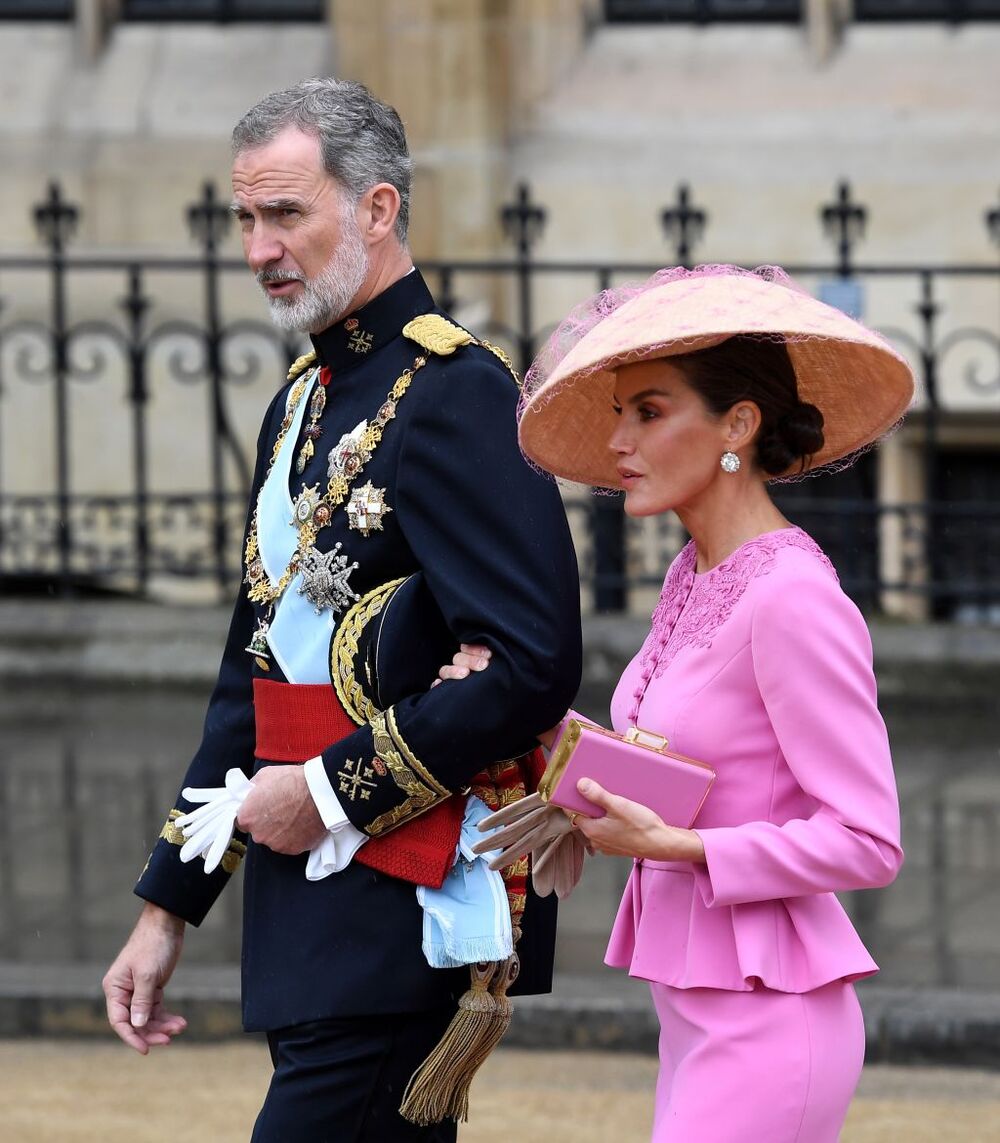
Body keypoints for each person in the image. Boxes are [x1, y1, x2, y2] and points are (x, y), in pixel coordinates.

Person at [101, 77, 581, 1143]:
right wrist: (167, 905)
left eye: (286, 214)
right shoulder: (302, 400)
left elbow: (532, 662)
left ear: (375, 209)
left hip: (398, 899)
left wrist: (326, 792)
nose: (259, 248)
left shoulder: (456, 393)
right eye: (246, 218)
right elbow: (254, 675)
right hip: (303, 904)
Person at [441, 265, 913, 1142]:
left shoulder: (793, 597)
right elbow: (685, 757)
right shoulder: (694, 574)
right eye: (621, 411)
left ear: (738, 424)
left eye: (648, 411)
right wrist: (528, 722)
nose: (620, 439)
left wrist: (680, 847)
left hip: (774, 1021)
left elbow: (868, 836)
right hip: (701, 1010)